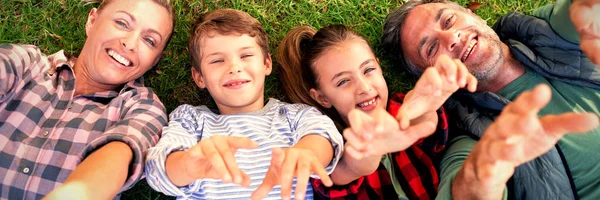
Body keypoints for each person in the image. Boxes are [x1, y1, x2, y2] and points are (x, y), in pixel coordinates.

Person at [382, 0, 600, 199]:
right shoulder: (470, 138)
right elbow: (466, 189)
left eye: (449, 20)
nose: (451, 38)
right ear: (429, 78)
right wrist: (481, 178)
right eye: (431, 48)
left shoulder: (544, 29)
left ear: (472, 14)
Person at [144, 9, 344, 200]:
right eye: (217, 60)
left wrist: (307, 153)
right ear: (199, 77)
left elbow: (324, 136)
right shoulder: (192, 121)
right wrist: (188, 165)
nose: (234, 67)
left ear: (266, 64)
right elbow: (156, 169)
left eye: (246, 56)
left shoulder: (294, 115)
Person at [277, 24, 477, 199]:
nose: (364, 87)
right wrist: (373, 147)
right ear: (322, 98)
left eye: (368, 70)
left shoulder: (400, 107)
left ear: (379, 67)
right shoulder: (328, 143)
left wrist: (423, 108)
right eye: (343, 81)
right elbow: (348, 168)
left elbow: (424, 128)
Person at [0, 0, 174, 199]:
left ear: (155, 60)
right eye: (122, 23)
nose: (130, 43)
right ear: (92, 21)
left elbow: (120, 154)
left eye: (149, 41)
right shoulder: (25, 64)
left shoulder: (144, 107)